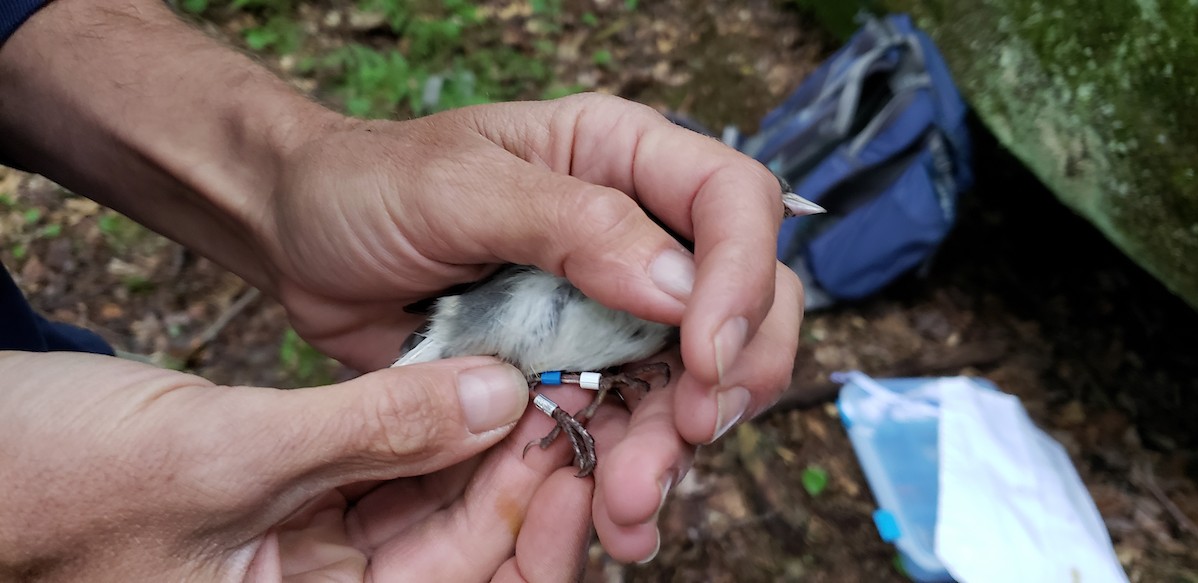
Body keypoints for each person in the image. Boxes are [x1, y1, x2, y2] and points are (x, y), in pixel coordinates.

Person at [0, 0, 805, 580]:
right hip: (470, 328)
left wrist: (281, 178)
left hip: (55, 387)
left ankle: (561, 399)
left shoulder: (649, 257)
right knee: (501, 393)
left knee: (546, 396)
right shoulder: (631, 235)